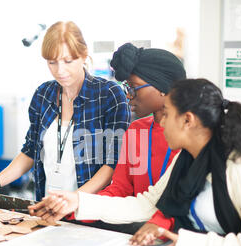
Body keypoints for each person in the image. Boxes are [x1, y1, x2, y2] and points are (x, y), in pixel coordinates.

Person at [29, 78, 241, 246]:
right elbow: (147, 204)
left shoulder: (240, 167)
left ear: (187, 120)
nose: (161, 122)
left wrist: (185, 243)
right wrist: (77, 201)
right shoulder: (186, 160)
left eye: (167, 114)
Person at [0, 21, 130, 200]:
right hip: (48, 205)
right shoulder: (44, 94)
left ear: (84, 56)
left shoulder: (108, 95)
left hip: (91, 210)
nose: (60, 71)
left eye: (68, 61)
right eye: (52, 62)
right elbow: (30, 151)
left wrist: (74, 199)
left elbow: (112, 164)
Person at [62, 42, 186, 234]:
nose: (128, 96)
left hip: (177, 237)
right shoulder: (137, 130)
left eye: (133, 87)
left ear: (162, 87)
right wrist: (74, 207)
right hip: (134, 231)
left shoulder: (190, 136)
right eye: (126, 87)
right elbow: (120, 189)